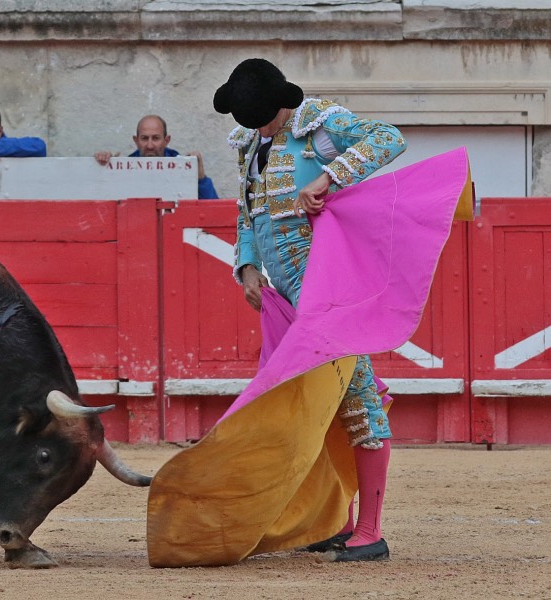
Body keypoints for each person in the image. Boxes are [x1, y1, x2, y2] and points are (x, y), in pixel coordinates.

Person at [214, 58, 407, 562]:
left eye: (260, 114)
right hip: (284, 291)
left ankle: (371, 530)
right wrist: (248, 267)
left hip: (329, 284)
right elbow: (247, 211)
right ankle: (336, 522)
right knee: (314, 405)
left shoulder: (319, 123)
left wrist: (327, 179)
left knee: (357, 395)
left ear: (281, 102)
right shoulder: (250, 145)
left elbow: (388, 138)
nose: (254, 123)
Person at [94, 115, 219, 199]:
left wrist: (200, 179)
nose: (150, 145)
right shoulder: (123, 169)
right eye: (144, 138)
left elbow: (214, 211)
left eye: (155, 138)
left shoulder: (182, 168)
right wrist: (103, 170)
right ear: (136, 140)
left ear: (166, 140)